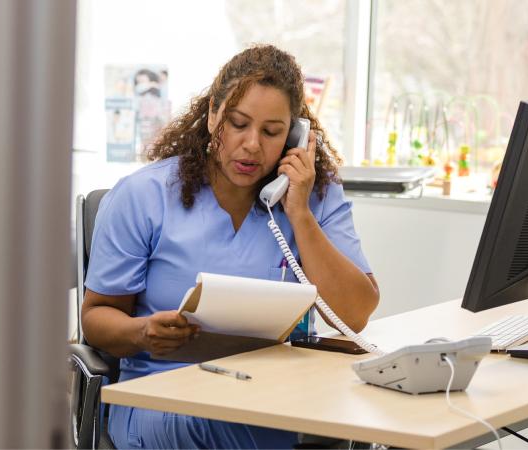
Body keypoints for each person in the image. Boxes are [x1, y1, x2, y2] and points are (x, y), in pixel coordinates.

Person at [82, 44, 380, 449]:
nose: (252, 144)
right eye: (238, 124)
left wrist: (299, 214)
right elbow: (97, 318)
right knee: (240, 427)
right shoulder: (144, 195)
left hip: (270, 394)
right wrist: (142, 332)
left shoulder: (313, 195)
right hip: (161, 397)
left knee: (358, 418)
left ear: (295, 135)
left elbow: (355, 313)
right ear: (211, 118)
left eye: (272, 132)